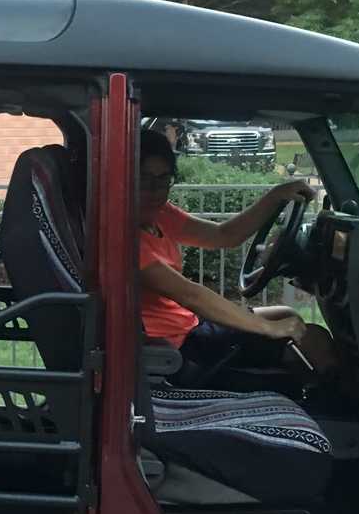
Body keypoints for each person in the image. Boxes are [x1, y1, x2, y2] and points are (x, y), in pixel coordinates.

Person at [137, 128, 336, 384]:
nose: (154, 191)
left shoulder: (161, 214)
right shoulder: (123, 236)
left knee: (289, 315)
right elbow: (189, 294)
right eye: (144, 180)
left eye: (163, 179)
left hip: (191, 325)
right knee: (311, 340)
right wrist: (268, 328)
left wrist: (275, 196)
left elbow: (224, 235)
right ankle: (345, 405)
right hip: (178, 345)